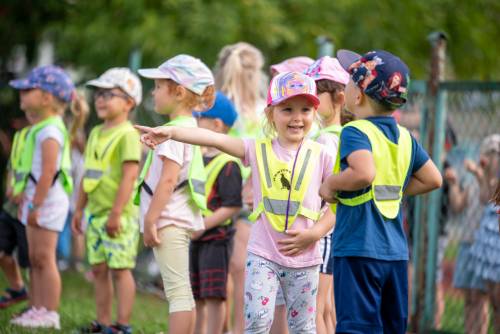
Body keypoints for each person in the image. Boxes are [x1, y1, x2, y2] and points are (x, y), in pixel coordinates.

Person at [137, 71, 336, 333]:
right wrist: (172, 132)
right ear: (271, 114)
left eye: (306, 109)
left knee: (303, 327)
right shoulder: (257, 148)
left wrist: (313, 234)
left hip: (305, 259)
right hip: (263, 254)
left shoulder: (324, 155)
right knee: (257, 321)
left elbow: (337, 207)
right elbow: (213, 138)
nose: (297, 118)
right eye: (287, 109)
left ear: (314, 113)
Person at [319, 50, 442, 333]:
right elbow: (433, 179)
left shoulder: (356, 131)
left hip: (358, 249)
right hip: (395, 253)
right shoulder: (404, 137)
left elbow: (363, 173)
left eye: (350, 80)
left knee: (356, 327)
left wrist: (331, 183)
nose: (345, 86)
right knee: (390, 327)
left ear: (359, 95)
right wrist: (395, 189)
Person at [136, 54, 216, 334]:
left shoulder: (174, 132)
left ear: (179, 92)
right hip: (179, 218)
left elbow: (168, 181)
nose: (153, 93)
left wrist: (150, 220)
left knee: (178, 293)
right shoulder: (189, 129)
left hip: (168, 220)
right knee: (182, 290)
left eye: (158, 87)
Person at [8, 65, 88, 329]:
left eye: (28, 90)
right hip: (36, 200)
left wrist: (36, 204)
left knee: (45, 258)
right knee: (35, 259)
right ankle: (37, 308)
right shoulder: (41, 128)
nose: (21, 94)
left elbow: (49, 172)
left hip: (46, 202)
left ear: (46, 98)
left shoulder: (50, 131)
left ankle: (49, 312)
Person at [72, 68, 143, 334]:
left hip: (119, 217)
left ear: (128, 103)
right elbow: (87, 174)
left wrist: (115, 214)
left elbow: (129, 176)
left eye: (108, 94)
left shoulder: (127, 134)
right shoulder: (94, 134)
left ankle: (122, 325)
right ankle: (102, 323)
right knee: (99, 270)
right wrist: (79, 209)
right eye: (98, 94)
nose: (100, 99)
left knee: (120, 270)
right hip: (96, 214)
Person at [213, 42, 267, 334]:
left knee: (221, 267)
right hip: (250, 194)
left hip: (219, 191)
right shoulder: (262, 110)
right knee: (239, 268)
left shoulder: (219, 105)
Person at [190, 92, 243, 334]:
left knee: (214, 296)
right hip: (196, 237)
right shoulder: (197, 158)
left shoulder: (229, 163)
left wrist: (203, 224)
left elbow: (232, 205)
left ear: (216, 125)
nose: (194, 123)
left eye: (199, 118)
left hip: (216, 240)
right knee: (197, 294)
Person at [305, 56, 349, 334]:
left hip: (323, 233)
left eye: (318, 91)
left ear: (339, 97)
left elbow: (331, 194)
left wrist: (316, 229)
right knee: (327, 308)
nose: (312, 99)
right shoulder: (341, 135)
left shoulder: (326, 139)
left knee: (315, 309)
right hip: (330, 233)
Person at [468, 134, 500, 333]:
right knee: (494, 301)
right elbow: (486, 198)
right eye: (489, 152)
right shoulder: (492, 176)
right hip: (491, 240)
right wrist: (483, 175)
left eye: (495, 152)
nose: (491, 157)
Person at [0, 124, 32, 309]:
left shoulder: (46, 133)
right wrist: (11, 186)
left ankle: (37, 306)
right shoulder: (20, 135)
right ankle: (18, 288)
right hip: (10, 207)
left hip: (28, 208)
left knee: (31, 261)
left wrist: (24, 192)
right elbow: (12, 166)